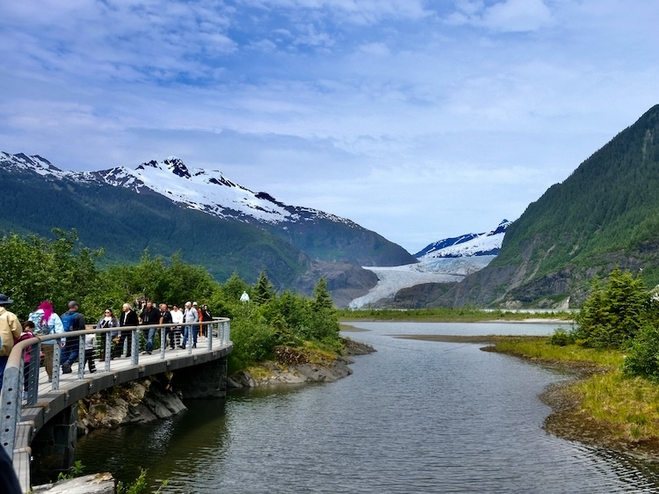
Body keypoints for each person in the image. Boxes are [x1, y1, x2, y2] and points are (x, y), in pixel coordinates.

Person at [28, 300, 64, 381]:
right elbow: (59, 328)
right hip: (49, 340)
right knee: (50, 358)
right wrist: (62, 339)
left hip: (35, 340)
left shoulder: (32, 315)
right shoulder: (53, 315)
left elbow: (29, 327)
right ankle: (51, 376)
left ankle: (32, 378)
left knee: (34, 358)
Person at [0, 294, 22, 392]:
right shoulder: (9, 315)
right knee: (2, 373)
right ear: (5, 305)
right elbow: (18, 333)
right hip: (3, 350)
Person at [60, 301, 86, 374]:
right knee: (77, 351)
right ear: (75, 306)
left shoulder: (63, 316)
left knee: (64, 351)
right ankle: (68, 362)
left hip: (64, 336)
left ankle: (65, 367)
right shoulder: (79, 316)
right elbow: (82, 328)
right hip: (75, 337)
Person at [16, 320, 35, 398]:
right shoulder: (29, 336)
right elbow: (30, 348)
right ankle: (27, 393)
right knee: (28, 377)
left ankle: (18, 394)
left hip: (19, 359)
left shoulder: (19, 335)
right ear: (29, 328)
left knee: (20, 376)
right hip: (28, 359)